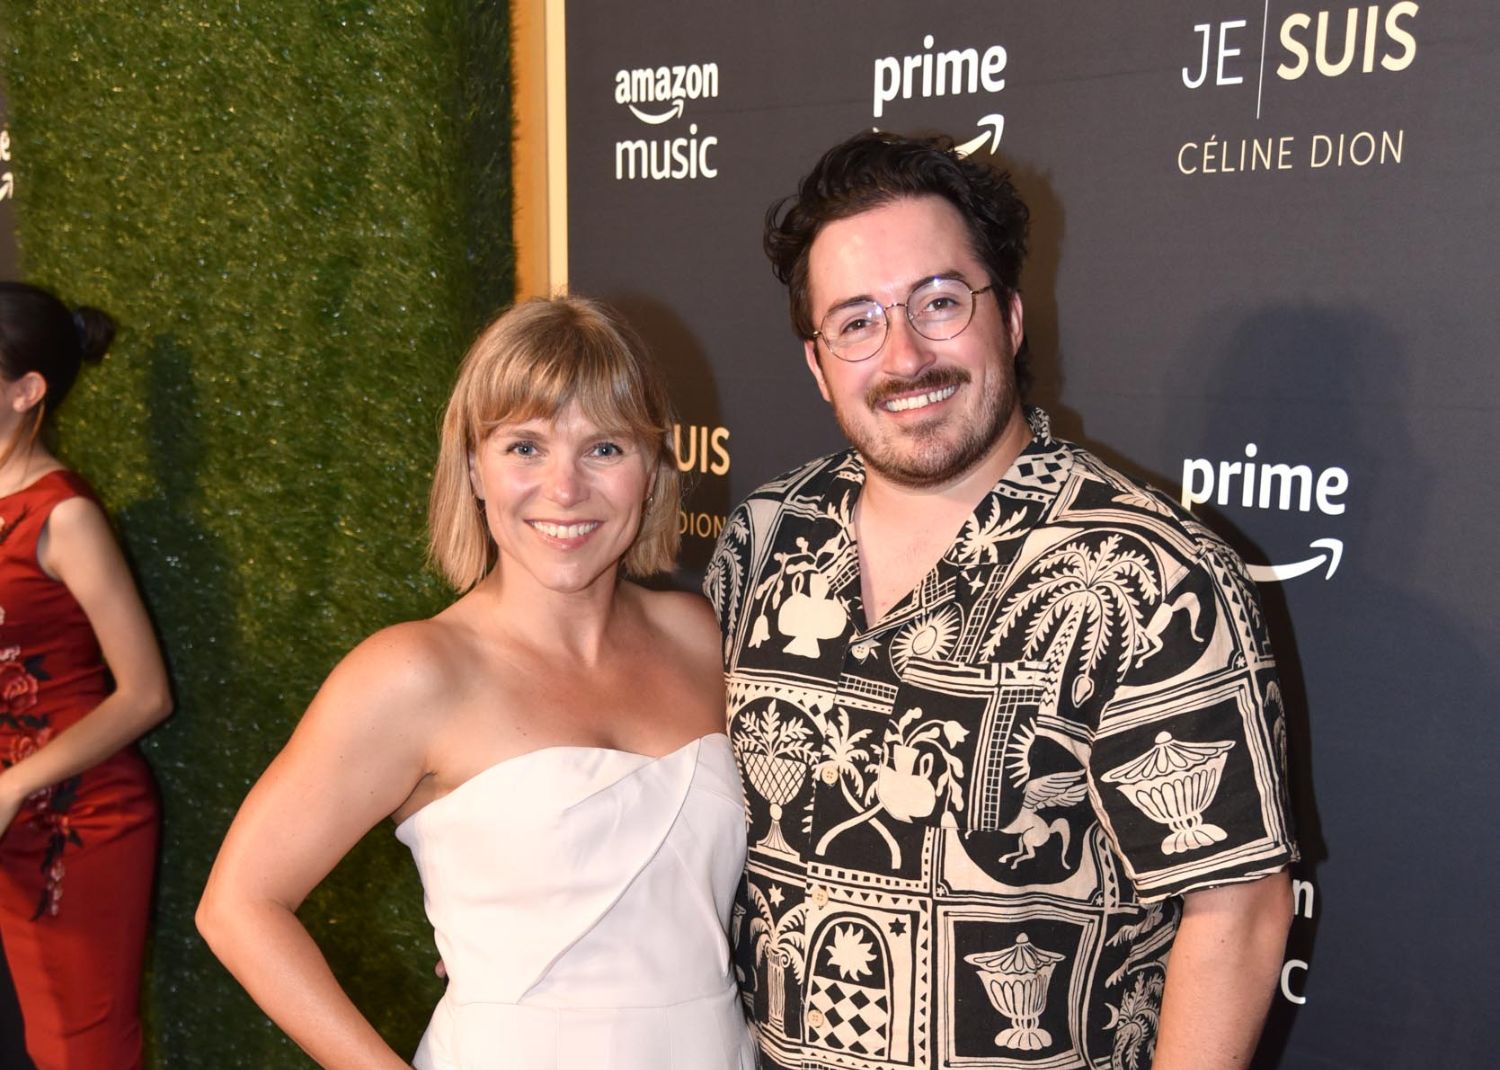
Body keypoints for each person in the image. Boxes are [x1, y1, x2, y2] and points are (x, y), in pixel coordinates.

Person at [705, 131, 1297, 1069]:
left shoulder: (1149, 572)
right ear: (818, 364)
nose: (904, 355)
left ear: (1011, 317)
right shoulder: (764, 537)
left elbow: (1239, 907)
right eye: (856, 322)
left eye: (939, 302)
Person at [198, 295, 756, 1070]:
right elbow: (238, 906)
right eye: (525, 447)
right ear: (473, 468)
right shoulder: (414, 673)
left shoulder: (698, 636)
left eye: (605, 448)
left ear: (655, 470)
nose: (564, 488)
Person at [0, 282, 172, 1069]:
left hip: (77, 819)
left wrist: (12, 787)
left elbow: (146, 694)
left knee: (81, 1051)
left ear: (26, 391)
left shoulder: (62, 516)